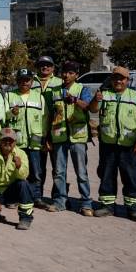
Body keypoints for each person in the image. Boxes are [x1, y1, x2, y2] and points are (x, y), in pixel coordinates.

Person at [88, 66, 136, 221]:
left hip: (130, 146)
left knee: (131, 177)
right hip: (108, 144)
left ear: (127, 80)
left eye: (122, 78)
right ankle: (107, 206)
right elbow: (93, 110)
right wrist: (96, 100)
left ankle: (132, 208)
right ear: (111, 79)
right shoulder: (104, 95)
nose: (118, 81)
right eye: (115, 78)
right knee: (106, 175)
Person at [45, 61, 94, 215]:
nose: (66, 75)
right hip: (59, 136)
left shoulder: (82, 89)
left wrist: (75, 100)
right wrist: (48, 137)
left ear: (76, 75)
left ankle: (86, 203)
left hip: (77, 137)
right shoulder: (54, 91)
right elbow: (49, 114)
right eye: (64, 72)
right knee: (59, 172)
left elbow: (89, 107)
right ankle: (60, 201)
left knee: (81, 172)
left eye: (71, 73)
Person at [5, 68, 49, 207]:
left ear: (31, 81)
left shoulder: (39, 97)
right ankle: (15, 198)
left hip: (35, 141)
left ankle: (36, 198)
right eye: (21, 80)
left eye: (27, 80)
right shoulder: (9, 96)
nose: (24, 82)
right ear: (17, 81)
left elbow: (45, 118)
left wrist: (44, 137)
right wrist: (11, 113)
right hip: (17, 142)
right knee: (15, 170)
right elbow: (4, 116)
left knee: (36, 172)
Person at [0, 128, 35, 230]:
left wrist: (19, 167)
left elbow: (24, 176)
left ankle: (25, 218)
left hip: (11, 191)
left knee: (24, 184)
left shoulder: (21, 154)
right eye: (5, 140)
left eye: (11, 140)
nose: (8, 142)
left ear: (15, 142)